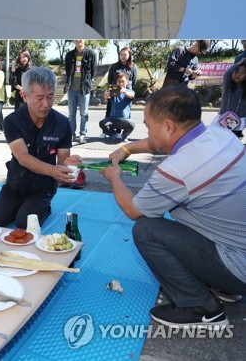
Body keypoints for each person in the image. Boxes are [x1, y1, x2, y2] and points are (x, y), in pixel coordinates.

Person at [100, 86, 246, 329]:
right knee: (182, 209)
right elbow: (159, 142)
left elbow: (133, 211)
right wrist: (127, 149)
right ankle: (222, 286)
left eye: (148, 126)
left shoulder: (178, 170)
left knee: (147, 230)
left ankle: (200, 308)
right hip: (238, 249)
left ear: (168, 126)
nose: (147, 132)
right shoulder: (222, 136)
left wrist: (115, 178)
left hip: (238, 265)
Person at [0, 67, 82, 228]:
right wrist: (53, 170)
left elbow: (62, 161)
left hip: (43, 186)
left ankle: (44, 207)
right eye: (39, 98)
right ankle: (22, 205)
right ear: (24, 96)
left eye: (50, 96)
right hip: (15, 184)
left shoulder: (62, 124)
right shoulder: (12, 121)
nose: (46, 104)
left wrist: (70, 166)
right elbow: (23, 157)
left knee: (25, 223)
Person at [64, 39, 97, 143]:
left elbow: (93, 71)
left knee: (84, 113)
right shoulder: (69, 55)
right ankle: (71, 134)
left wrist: (87, 82)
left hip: (84, 88)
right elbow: (68, 70)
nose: (78, 40)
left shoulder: (91, 54)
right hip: (72, 89)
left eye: (81, 38)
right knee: (71, 114)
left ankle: (83, 134)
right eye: (76, 38)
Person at [214, 59, 246, 139]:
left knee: (234, 143)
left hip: (239, 121)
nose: (238, 75)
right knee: (221, 140)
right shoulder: (227, 87)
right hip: (224, 119)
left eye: (243, 73)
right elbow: (227, 73)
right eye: (236, 72)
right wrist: (239, 63)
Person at [99, 72, 135, 142]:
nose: (121, 83)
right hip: (113, 120)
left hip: (124, 121)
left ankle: (124, 135)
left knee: (132, 124)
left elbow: (132, 95)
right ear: (116, 82)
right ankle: (113, 134)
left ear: (126, 82)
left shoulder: (130, 91)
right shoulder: (114, 91)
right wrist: (109, 92)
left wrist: (124, 92)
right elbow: (106, 97)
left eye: (123, 81)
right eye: (119, 81)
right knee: (102, 123)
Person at [105, 46, 138, 118]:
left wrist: (127, 90)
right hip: (114, 91)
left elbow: (134, 81)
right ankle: (109, 126)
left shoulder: (133, 67)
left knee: (124, 112)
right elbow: (109, 80)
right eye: (121, 54)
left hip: (126, 93)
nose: (123, 56)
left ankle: (125, 125)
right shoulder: (114, 66)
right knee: (111, 111)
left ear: (129, 55)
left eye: (125, 54)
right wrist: (112, 90)